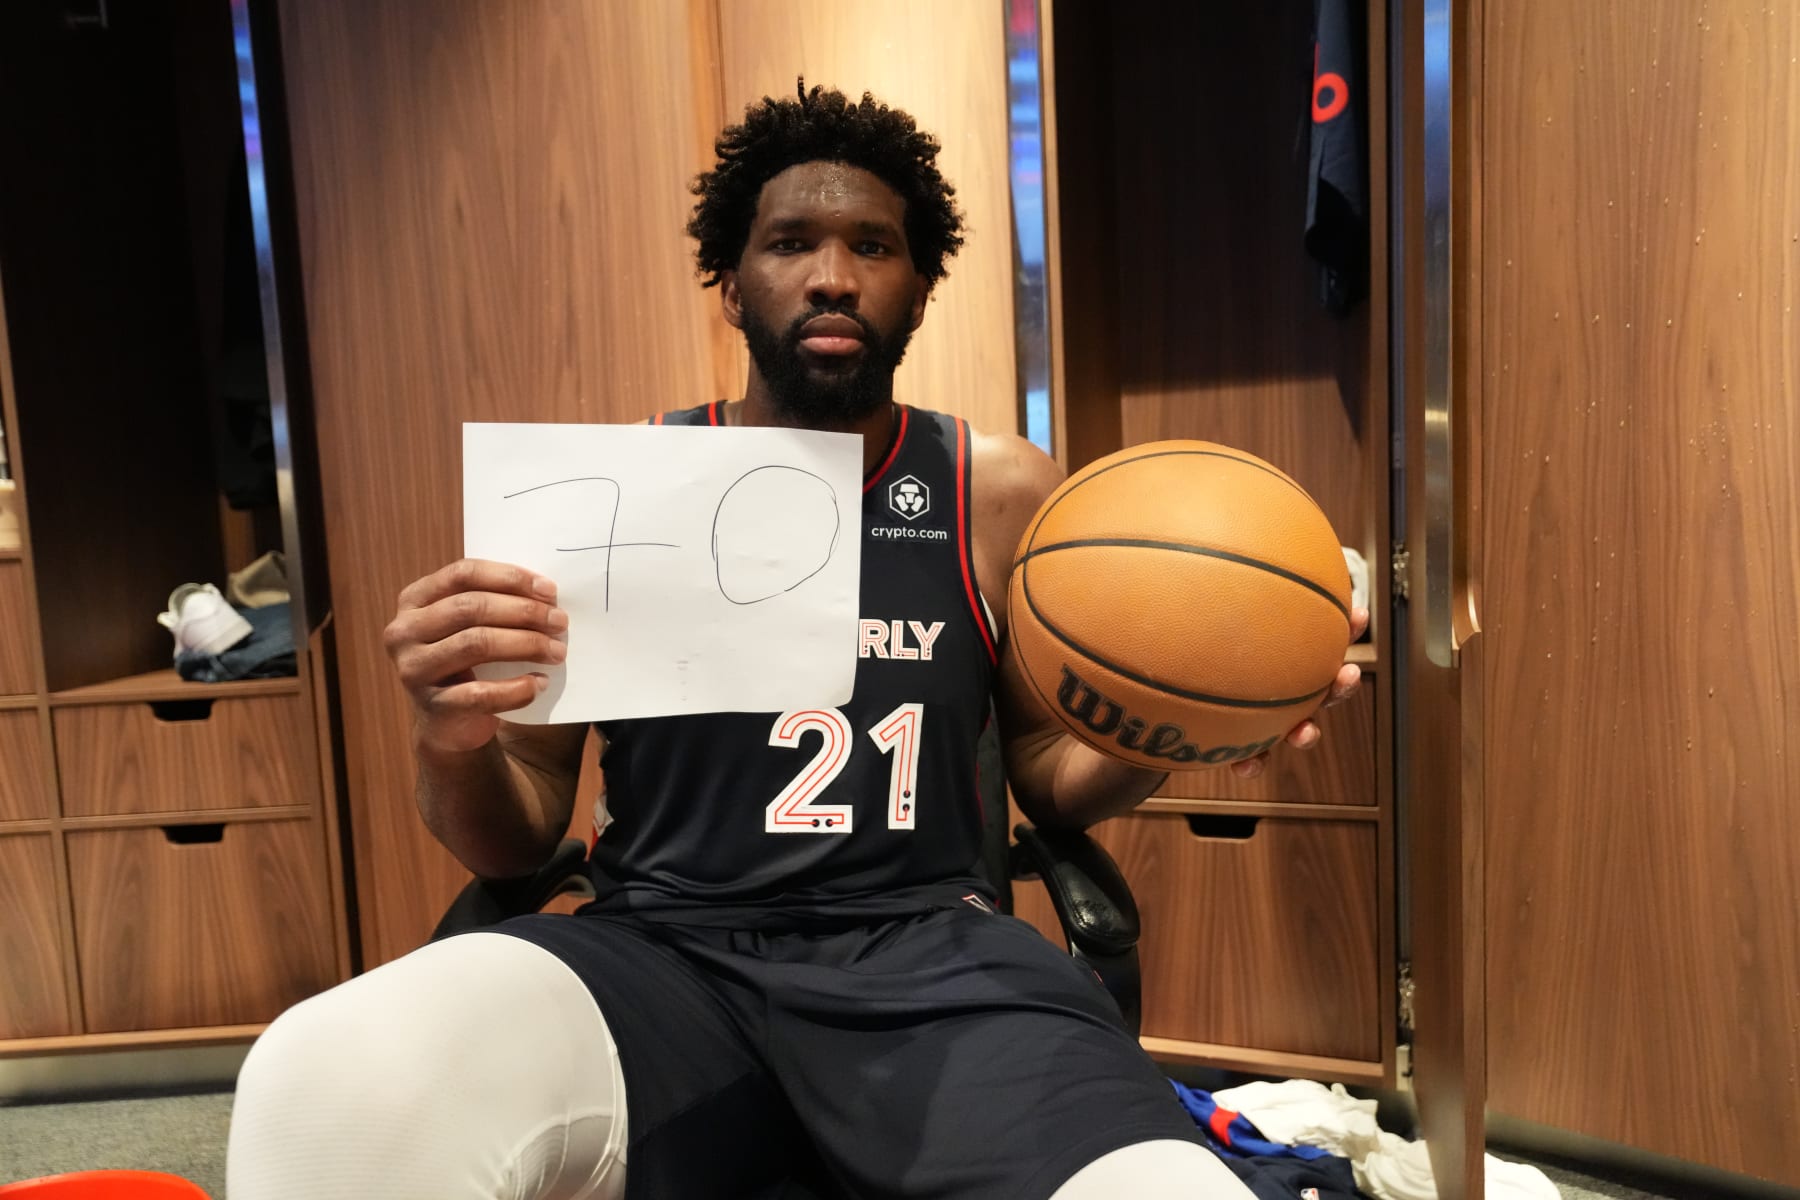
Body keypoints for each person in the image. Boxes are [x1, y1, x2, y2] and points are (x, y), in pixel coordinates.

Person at [227, 83, 1368, 1200]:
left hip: (938, 967)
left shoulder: (997, 490)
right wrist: (452, 734)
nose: (832, 275)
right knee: (323, 1080)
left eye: (874, 245)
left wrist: (1188, 717)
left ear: (919, 287)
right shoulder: (614, 487)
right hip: (660, 957)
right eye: (789, 242)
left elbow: (1052, 784)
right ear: (732, 283)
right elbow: (515, 844)